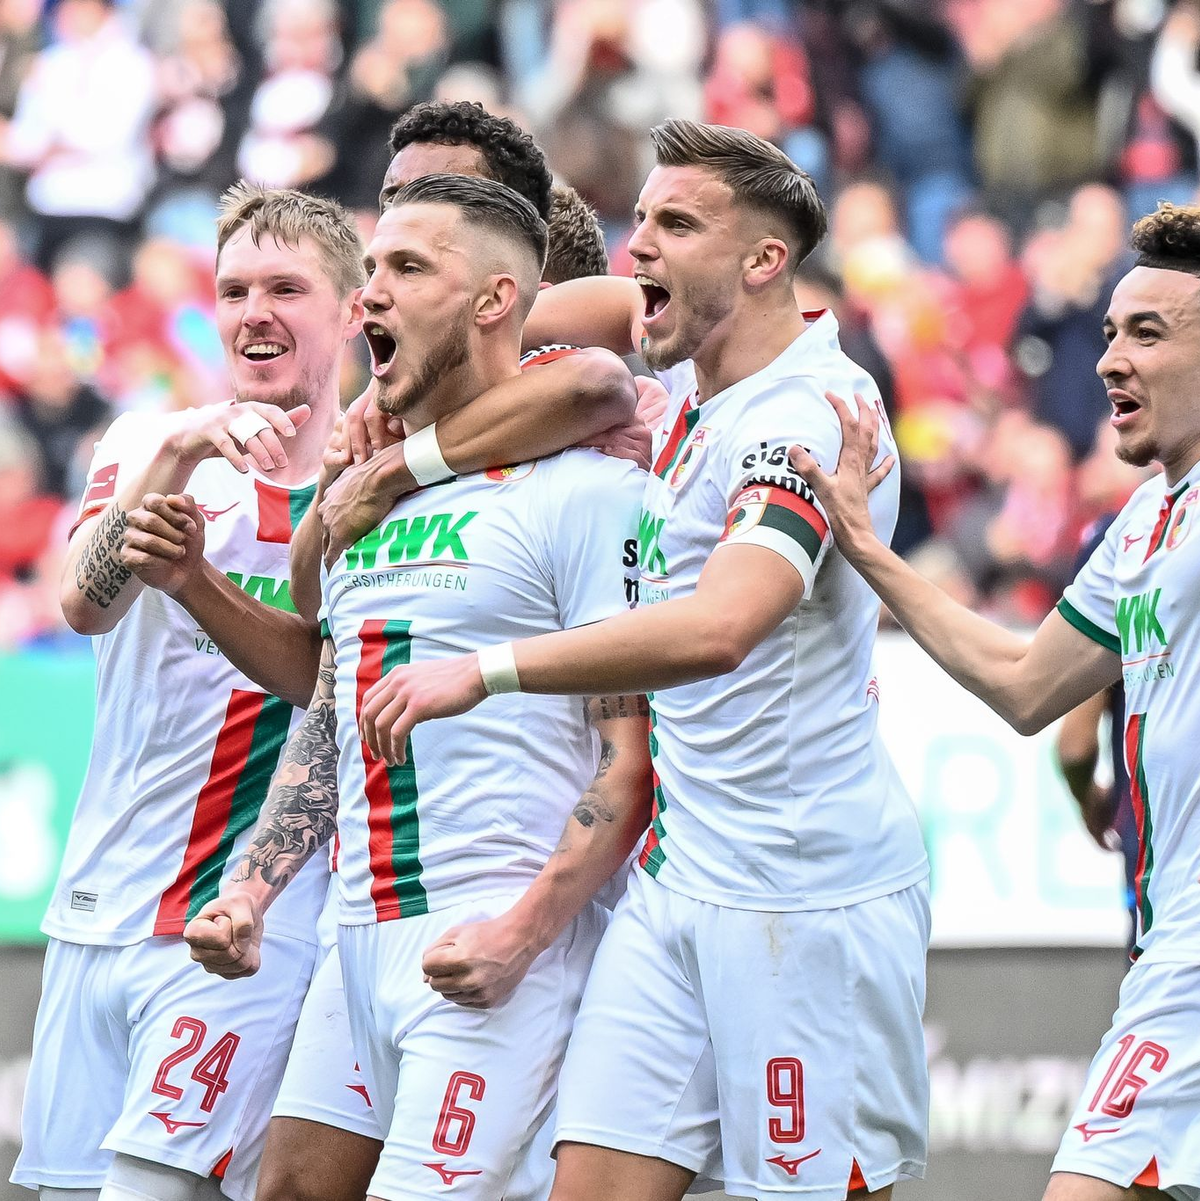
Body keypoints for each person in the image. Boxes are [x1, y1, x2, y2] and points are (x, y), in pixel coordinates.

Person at [355, 119, 930, 1201]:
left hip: (803, 897)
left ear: (764, 261)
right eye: (642, 218)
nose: (640, 245)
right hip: (677, 880)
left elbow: (722, 627)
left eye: (676, 225)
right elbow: (570, 312)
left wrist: (487, 668)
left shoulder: (802, 419)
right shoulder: (708, 362)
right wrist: (403, 390)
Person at [124, 105, 643, 1201]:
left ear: (497, 299)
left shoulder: (589, 487)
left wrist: (523, 931)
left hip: (489, 938)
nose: (369, 295)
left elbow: (626, 760)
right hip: (356, 936)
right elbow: (329, 702)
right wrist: (253, 889)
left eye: (405, 267)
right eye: (370, 269)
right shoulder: (371, 493)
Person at [768, 199, 1200, 1201]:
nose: (1110, 361)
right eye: (1109, 333)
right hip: (1166, 930)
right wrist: (868, 550)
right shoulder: (1144, 521)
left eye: (1148, 333)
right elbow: (1026, 683)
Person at [11, 183, 367, 1201]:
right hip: (96, 903)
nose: (255, 312)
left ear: (351, 309)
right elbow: (83, 604)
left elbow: (328, 683)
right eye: (235, 289)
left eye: (286, 288)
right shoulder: (145, 443)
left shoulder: (370, 489)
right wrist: (175, 453)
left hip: (244, 921)